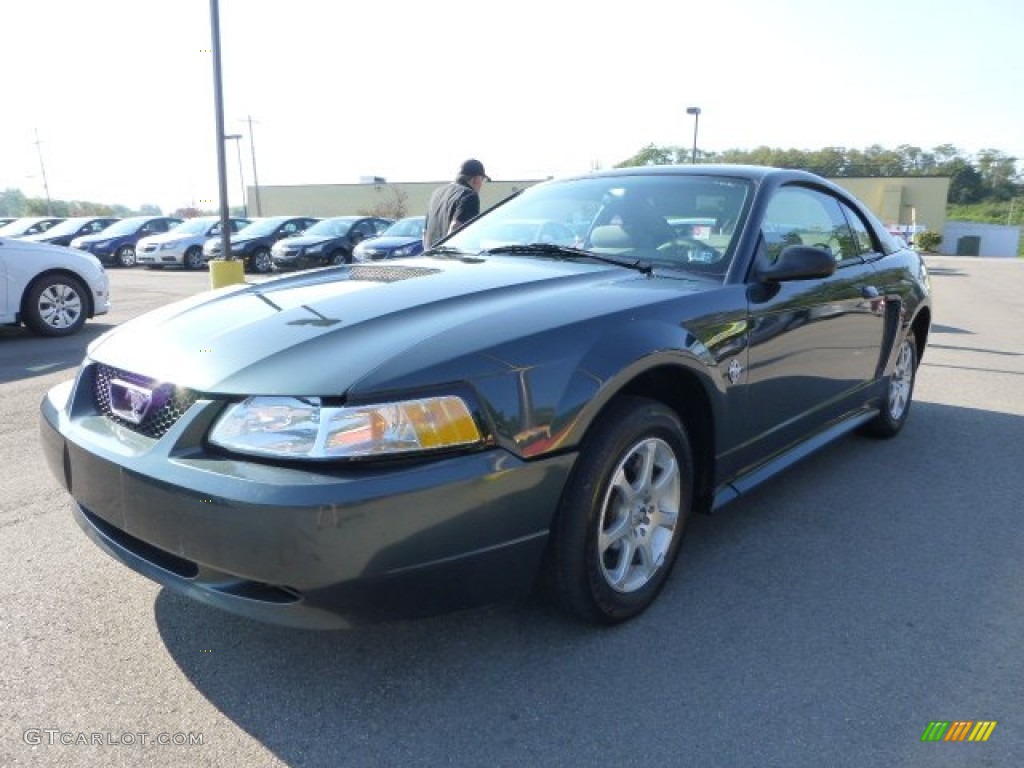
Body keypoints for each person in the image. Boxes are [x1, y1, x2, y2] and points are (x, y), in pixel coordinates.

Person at [423, 159, 491, 249]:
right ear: (476, 179)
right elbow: (456, 229)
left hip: (431, 257)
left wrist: (428, 252)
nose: (482, 184)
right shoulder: (469, 196)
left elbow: (425, 232)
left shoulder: (437, 193)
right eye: (482, 180)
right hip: (452, 259)